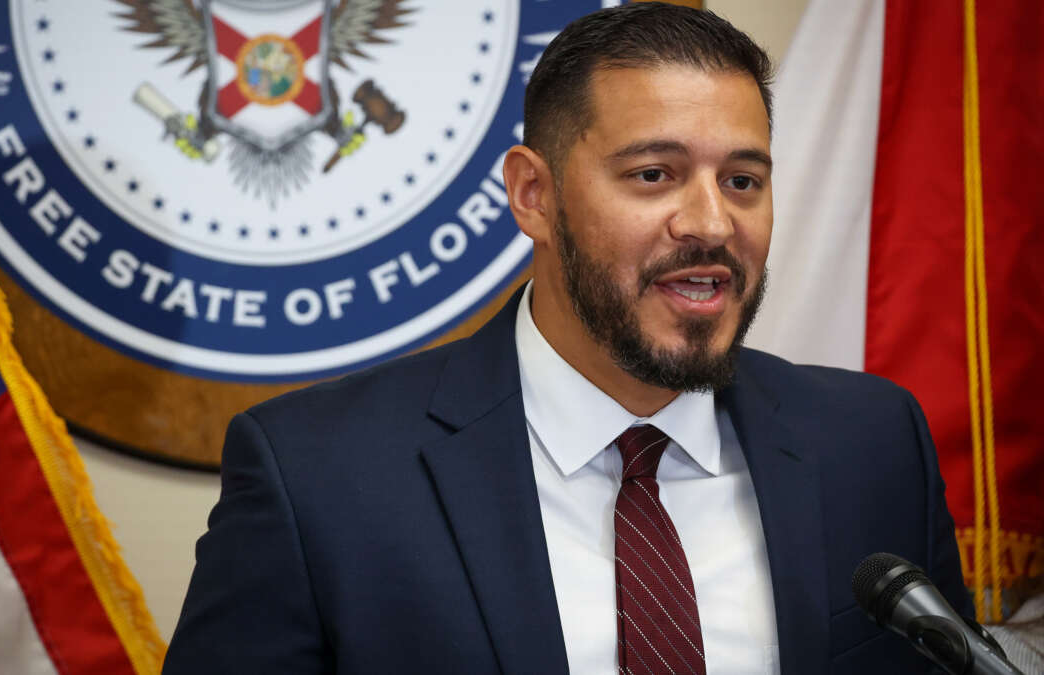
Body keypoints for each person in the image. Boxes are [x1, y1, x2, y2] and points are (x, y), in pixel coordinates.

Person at [164, 5, 970, 673]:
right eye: (653, 174)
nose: (712, 223)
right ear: (533, 196)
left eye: (743, 181)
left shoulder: (873, 442)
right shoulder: (317, 478)